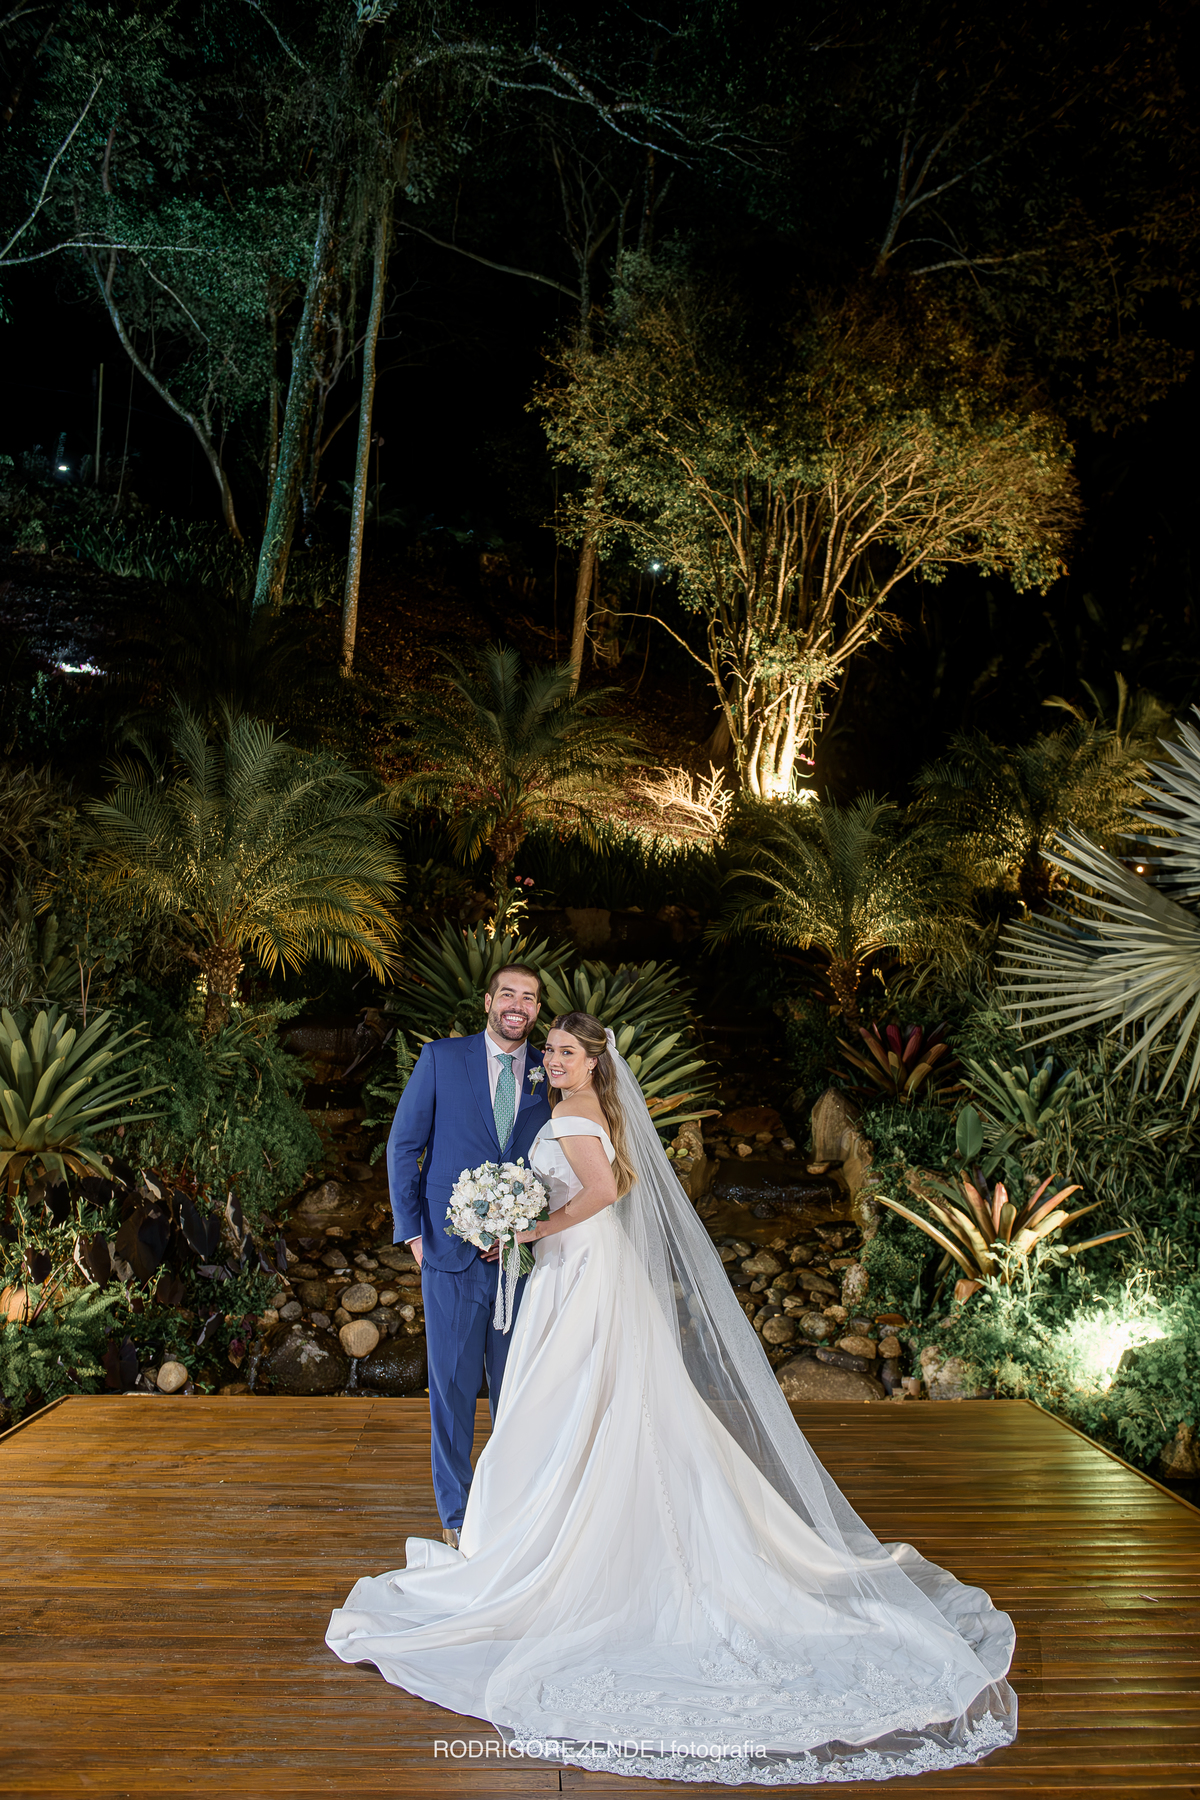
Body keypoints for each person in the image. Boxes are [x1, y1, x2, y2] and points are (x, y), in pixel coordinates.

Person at [330, 1012, 1018, 1785]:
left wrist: (532, 1227)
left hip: (579, 1272)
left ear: (595, 1062)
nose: (553, 1060)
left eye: (567, 1052)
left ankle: (565, 1538)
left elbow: (600, 1190)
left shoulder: (576, 1113)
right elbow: (620, 1182)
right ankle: (558, 1515)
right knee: (586, 1401)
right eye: (551, 1050)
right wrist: (524, 1220)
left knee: (566, 1400)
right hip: (582, 1267)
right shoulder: (589, 1110)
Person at [385, 963, 552, 1548]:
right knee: (452, 1389)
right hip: (449, 1254)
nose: (517, 1005)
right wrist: (413, 1234)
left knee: (517, 1389)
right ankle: (455, 1517)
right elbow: (405, 1145)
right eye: (508, 993)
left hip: (524, 1260)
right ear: (488, 1001)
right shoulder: (441, 1058)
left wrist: (530, 1229)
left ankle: (506, 1509)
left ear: (537, 1010)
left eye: (528, 997)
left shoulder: (551, 1071)